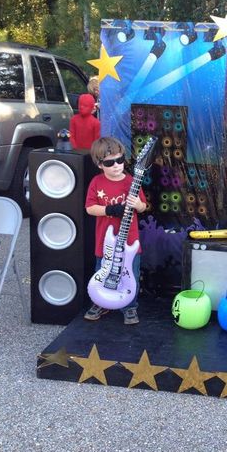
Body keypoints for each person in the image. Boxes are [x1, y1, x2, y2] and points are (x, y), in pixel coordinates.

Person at [84, 137, 147, 325]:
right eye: (110, 162)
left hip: (130, 242)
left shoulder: (131, 181)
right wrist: (109, 210)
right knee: (102, 271)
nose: (117, 165)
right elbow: (89, 208)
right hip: (105, 242)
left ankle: (129, 307)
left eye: (120, 160)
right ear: (99, 164)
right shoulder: (96, 182)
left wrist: (137, 204)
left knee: (130, 276)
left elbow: (143, 207)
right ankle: (100, 302)